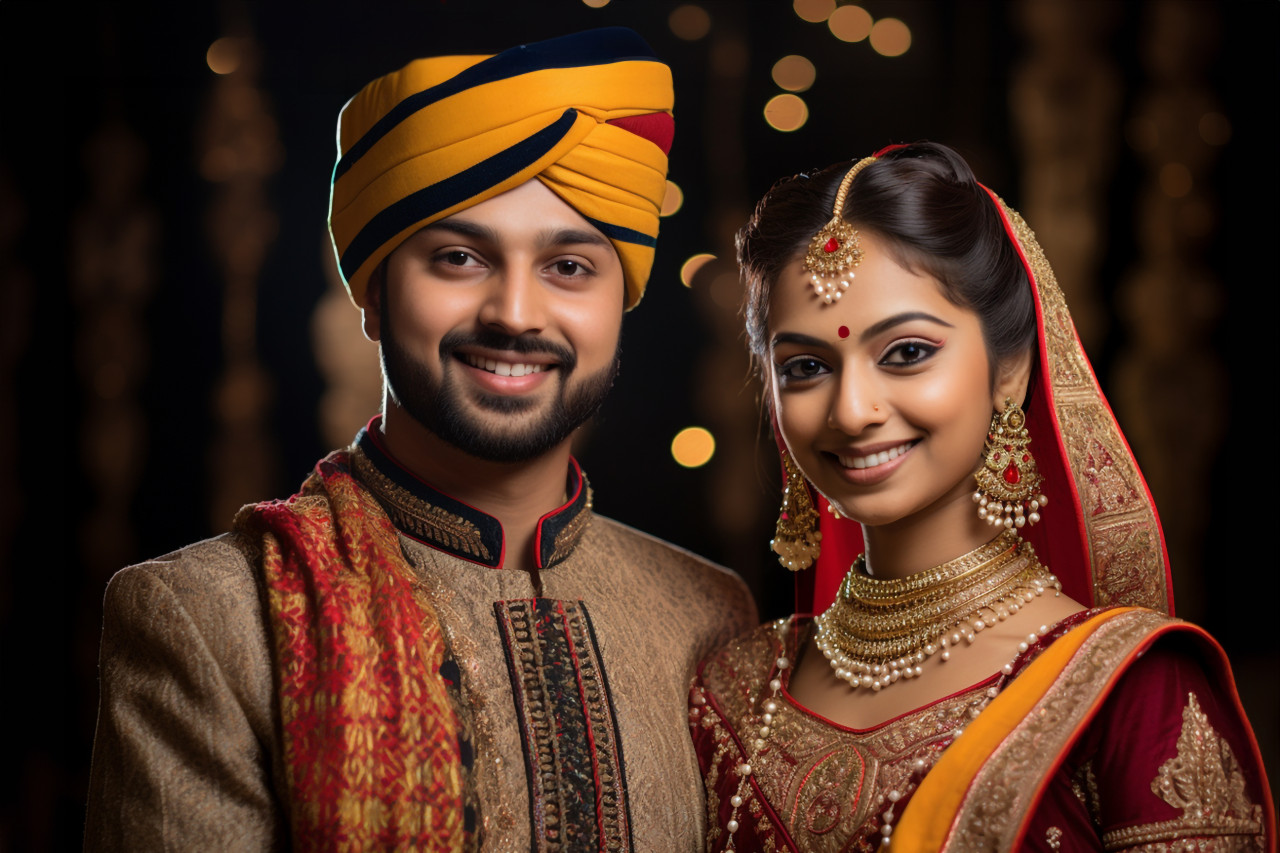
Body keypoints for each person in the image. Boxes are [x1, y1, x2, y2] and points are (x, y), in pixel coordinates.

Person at [85, 28, 756, 851]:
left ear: (621, 303)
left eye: (569, 267)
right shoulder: (210, 617)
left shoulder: (709, 616)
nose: (515, 313)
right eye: (460, 258)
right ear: (372, 293)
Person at [689, 142, 1273, 851]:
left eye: (906, 353)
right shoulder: (735, 691)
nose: (852, 410)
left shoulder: (1127, 691)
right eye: (806, 367)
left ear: (1010, 370)